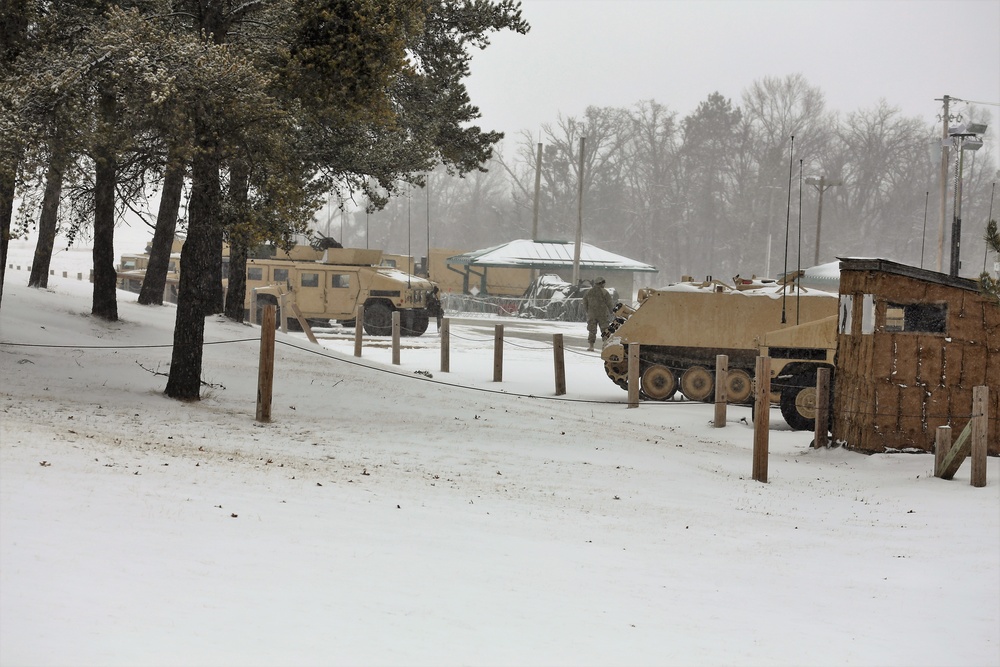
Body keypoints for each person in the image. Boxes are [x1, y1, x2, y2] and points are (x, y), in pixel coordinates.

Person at [582, 276, 614, 351]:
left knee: (592, 330)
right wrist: (612, 312)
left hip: (591, 314)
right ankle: (605, 345)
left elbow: (584, 303)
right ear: (601, 283)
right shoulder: (605, 292)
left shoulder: (588, 292)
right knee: (605, 329)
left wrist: (588, 311)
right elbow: (609, 303)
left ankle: (591, 346)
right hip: (602, 314)